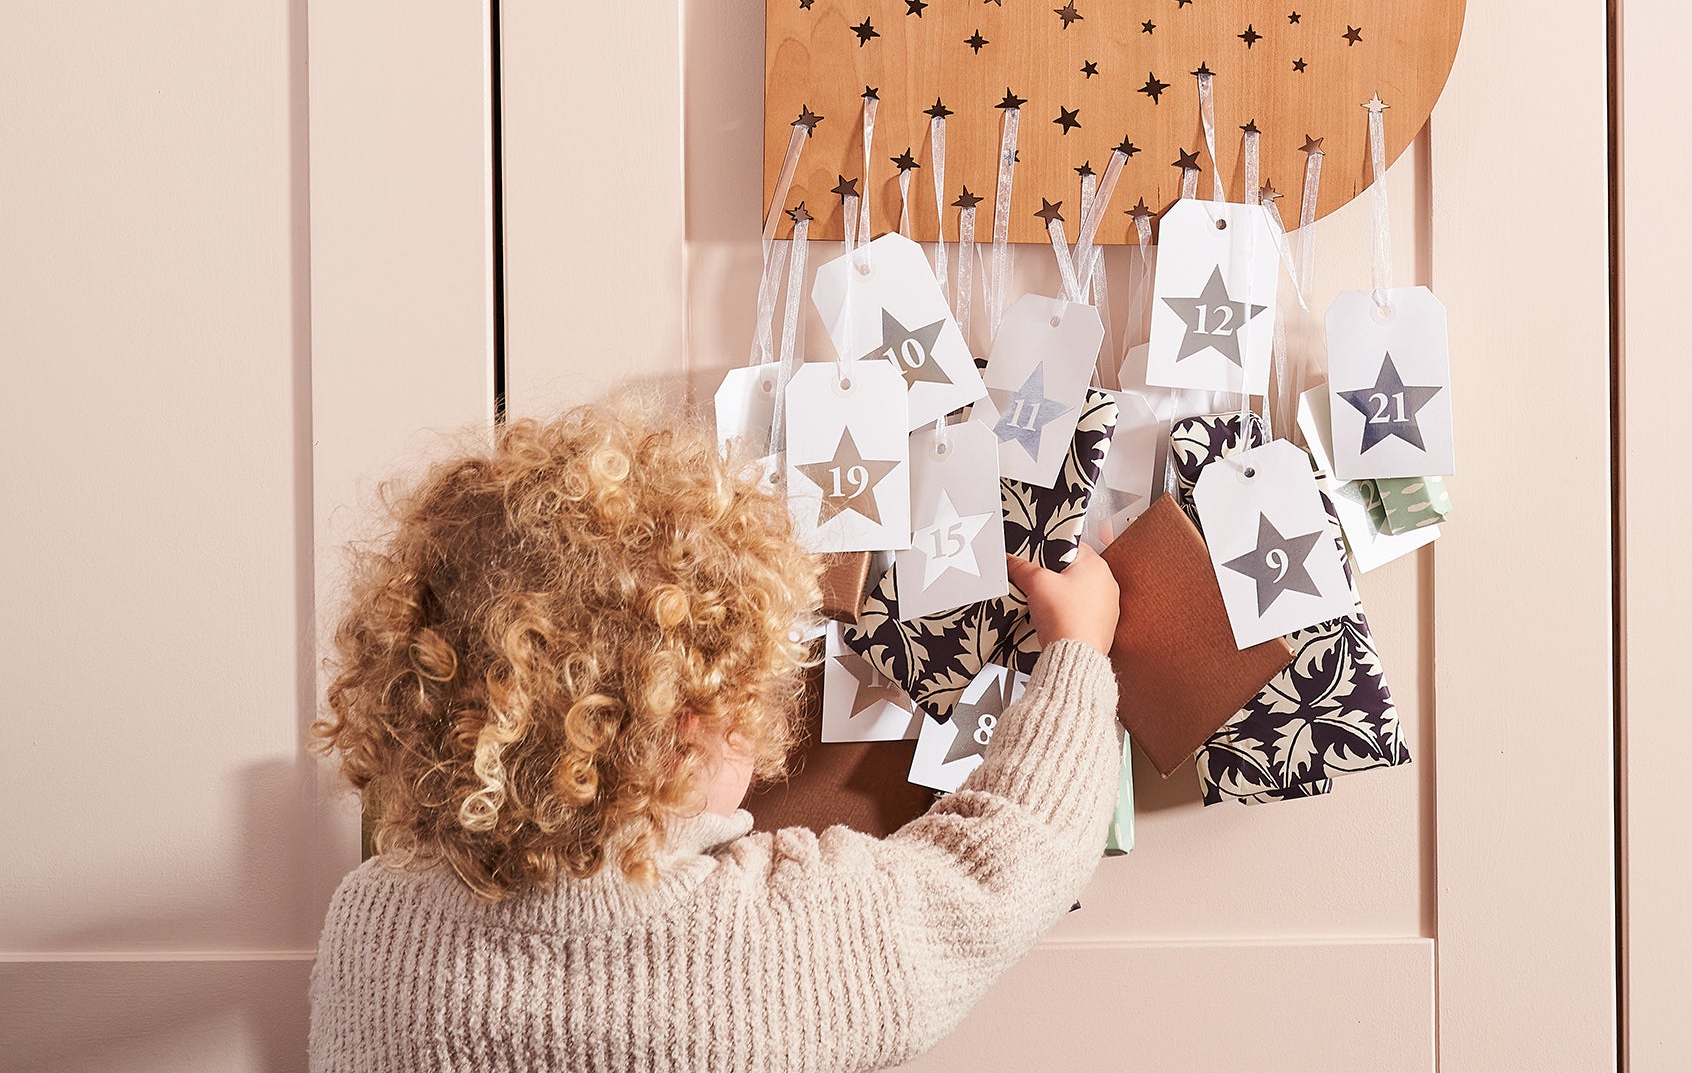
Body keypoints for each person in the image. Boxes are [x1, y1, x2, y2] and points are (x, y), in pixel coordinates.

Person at [308, 402, 1123, 1072]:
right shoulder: (784, 935)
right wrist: (1078, 649)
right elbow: (1011, 857)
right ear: (691, 718)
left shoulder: (370, 925)